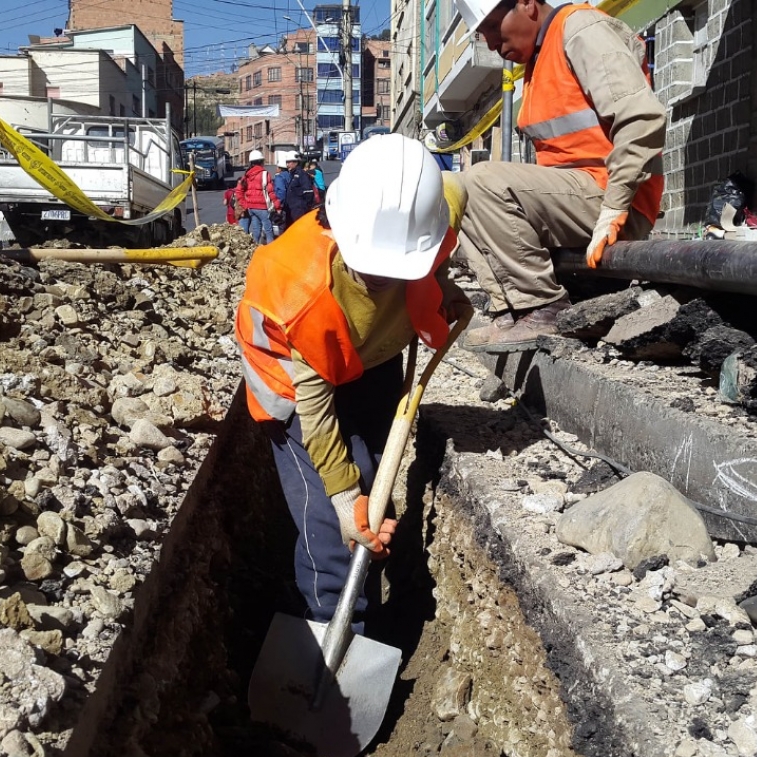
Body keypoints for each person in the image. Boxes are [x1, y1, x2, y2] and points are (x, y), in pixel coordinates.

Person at [234, 134, 469, 627]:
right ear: (343, 231)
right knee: (330, 519)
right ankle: (330, 626)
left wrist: (440, 287)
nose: (384, 279)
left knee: (374, 476)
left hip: (369, 357)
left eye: (399, 265)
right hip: (292, 381)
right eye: (371, 269)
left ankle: (382, 599)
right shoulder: (303, 293)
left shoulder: (433, 209)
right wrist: (343, 501)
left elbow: (454, 190)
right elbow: (317, 416)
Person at [453, 0, 666, 352]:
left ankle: (543, 308)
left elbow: (641, 118)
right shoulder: (538, 60)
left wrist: (615, 207)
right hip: (578, 198)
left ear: (526, 5)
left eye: (492, 27)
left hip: (612, 198)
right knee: (458, 189)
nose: (490, 42)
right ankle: (511, 310)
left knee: (481, 180)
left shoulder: (580, 30)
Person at [235, 149, 281, 244]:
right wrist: (277, 206)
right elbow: (271, 192)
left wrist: (245, 204)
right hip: (262, 207)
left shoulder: (246, 175)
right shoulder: (264, 174)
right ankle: (270, 251)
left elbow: (239, 191)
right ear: (261, 161)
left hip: (251, 208)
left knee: (256, 230)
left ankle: (254, 250)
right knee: (269, 231)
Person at [282, 152, 320, 227]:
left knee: (299, 228)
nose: (287, 165)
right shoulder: (292, 175)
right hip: (291, 209)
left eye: (289, 162)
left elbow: (308, 191)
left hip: (299, 210)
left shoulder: (301, 174)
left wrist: (303, 206)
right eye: (287, 162)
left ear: (296, 162)